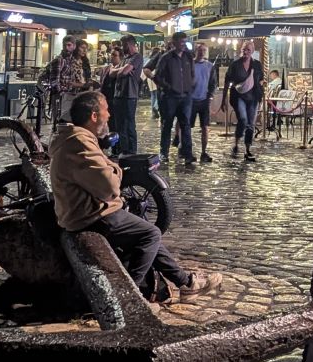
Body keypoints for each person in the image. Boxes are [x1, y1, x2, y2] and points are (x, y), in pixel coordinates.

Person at [49, 90, 220, 301]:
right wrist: (116, 169)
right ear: (94, 116)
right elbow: (110, 187)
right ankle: (129, 295)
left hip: (88, 210)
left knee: (144, 230)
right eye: (106, 110)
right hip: (91, 216)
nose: (109, 115)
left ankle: (186, 283)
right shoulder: (79, 143)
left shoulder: (76, 139)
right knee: (151, 234)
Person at [153, 31, 197, 167]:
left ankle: (188, 154)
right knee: (167, 124)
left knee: (186, 125)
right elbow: (157, 76)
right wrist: (169, 87)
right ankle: (164, 152)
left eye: (185, 42)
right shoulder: (166, 58)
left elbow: (192, 73)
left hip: (186, 96)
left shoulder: (188, 57)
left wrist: (190, 87)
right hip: (171, 97)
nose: (183, 45)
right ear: (175, 43)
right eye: (181, 42)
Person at [224, 41, 264, 162]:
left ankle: (247, 149)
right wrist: (223, 99)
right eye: (244, 50)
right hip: (238, 96)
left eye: (248, 50)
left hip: (253, 97)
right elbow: (227, 80)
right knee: (243, 119)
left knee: (251, 124)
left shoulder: (256, 65)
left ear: (252, 51)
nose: (245, 52)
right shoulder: (235, 64)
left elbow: (261, 79)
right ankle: (236, 143)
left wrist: (259, 87)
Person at [189, 42, 215, 163]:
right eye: (200, 50)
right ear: (195, 51)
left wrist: (210, 96)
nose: (201, 52)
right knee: (188, 127)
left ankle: (204, 152)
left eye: (204, 50)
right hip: (191, 100)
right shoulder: (190, 64)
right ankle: (188, 152)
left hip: (204, 100)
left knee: (205, 127)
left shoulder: (209, 66)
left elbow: (212, 83)